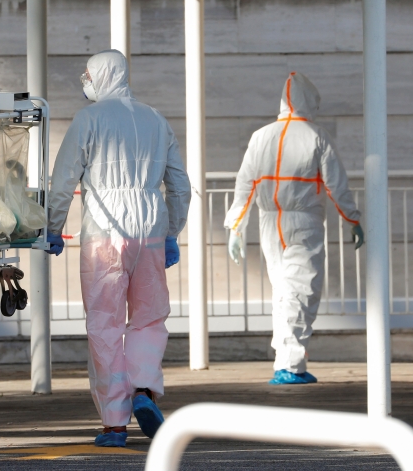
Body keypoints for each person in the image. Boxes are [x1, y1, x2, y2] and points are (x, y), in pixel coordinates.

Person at [46, 50, 191, 447]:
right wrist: (172, 233)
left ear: (100, 76)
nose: (84, 79)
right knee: (149, 317)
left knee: (104, 323)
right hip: (150, 231)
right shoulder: (156, 119)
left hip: (104, 233)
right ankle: (144, 388)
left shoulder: (88, 119)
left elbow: (63, 181)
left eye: (87, 74)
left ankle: (114, 423)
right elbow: (179, 185)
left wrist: (52, 227)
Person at [224, 72, 364, 386]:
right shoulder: (317, 135)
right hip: (304, 222)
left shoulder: (261, 136)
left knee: (284, 293)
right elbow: (336, 185)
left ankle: (286, 359)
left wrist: (235, 226)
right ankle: (289, 365)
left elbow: (245, 184)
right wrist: (352, 220)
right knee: (300, 291)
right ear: (310, 101)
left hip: (269, 222)